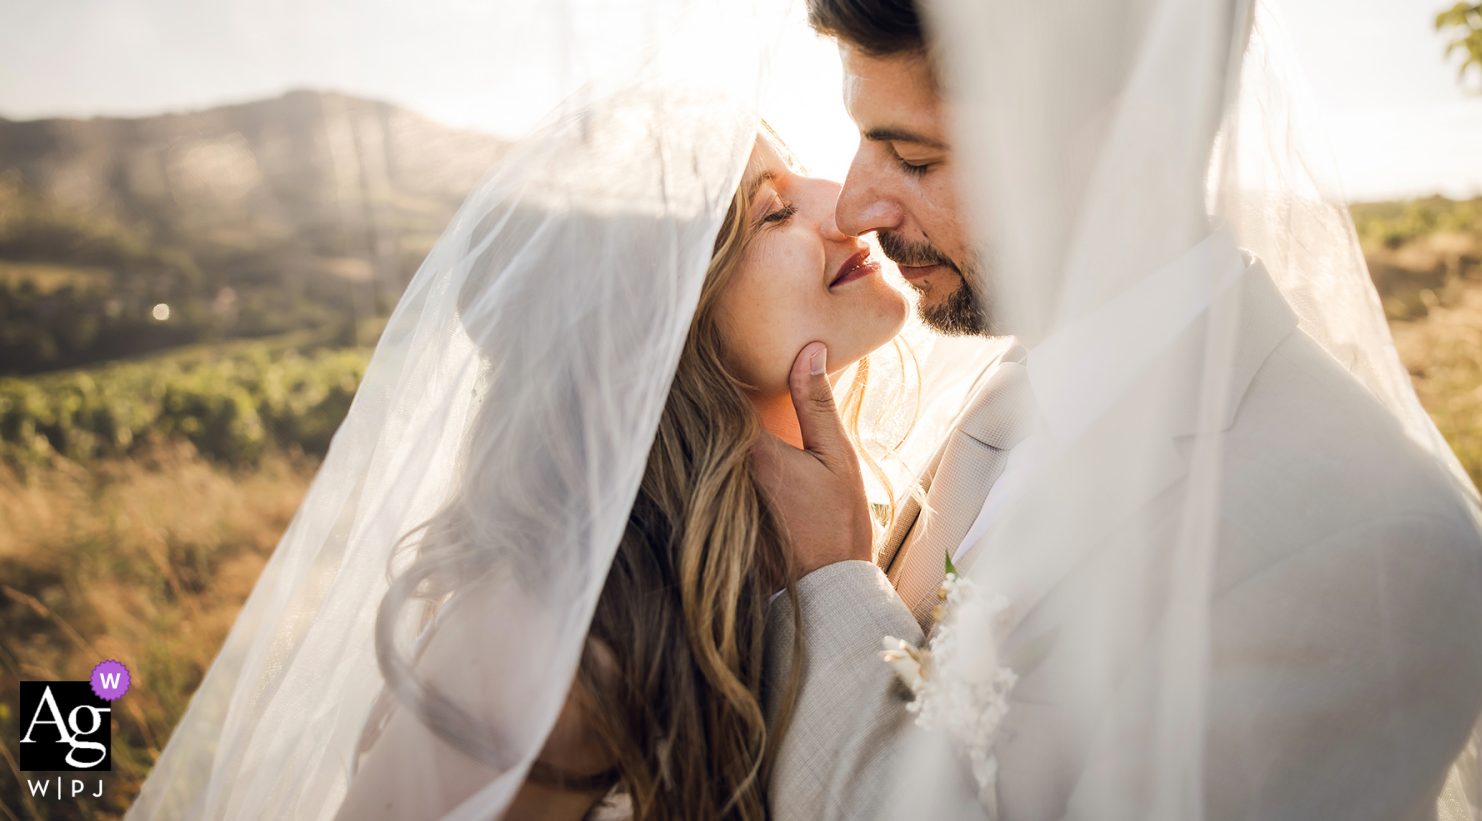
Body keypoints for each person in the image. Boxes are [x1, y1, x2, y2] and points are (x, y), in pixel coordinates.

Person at [752, 0, 1482, 821]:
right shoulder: (1001, 396)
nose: (855, 206)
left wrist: (831, 583)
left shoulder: (1372, 547)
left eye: (914, 155)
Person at [127, 106, 911, 821]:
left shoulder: (830, 529)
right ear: (650, 328)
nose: (841, 201)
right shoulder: (552, 637)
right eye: (771, 210)